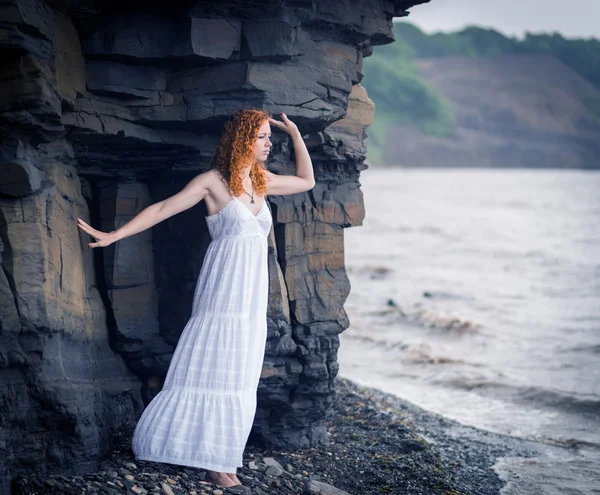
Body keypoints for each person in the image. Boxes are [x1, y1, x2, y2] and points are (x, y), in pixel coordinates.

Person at [76, 109, 315, 488]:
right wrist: (114, 236)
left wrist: (296, 134)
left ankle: (223, 457)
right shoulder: (213, 182)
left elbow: (306, 180)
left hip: (251, 298)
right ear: (243, 140)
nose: (270, 144)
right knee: (215, 364)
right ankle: (214, 464)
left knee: (240, 374)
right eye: (264, 137)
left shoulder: (262, 181)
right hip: (222, 291)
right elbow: (163, 208)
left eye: (271, 137)